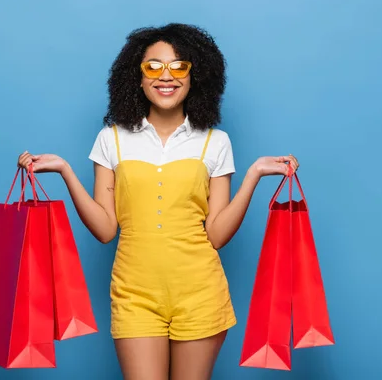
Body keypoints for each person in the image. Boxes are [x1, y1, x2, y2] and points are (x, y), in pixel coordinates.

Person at [17, 23, 299, 380]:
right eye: (153, 66)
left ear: (196, 76)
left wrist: (255, 174)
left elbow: (216, 235)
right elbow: (105, 230)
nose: (166, 76)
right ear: (136, 75)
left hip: (200, 292)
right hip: (135, 294)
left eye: (179, 66)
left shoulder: (216, 142)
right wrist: (65, 171)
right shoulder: (112, 139)